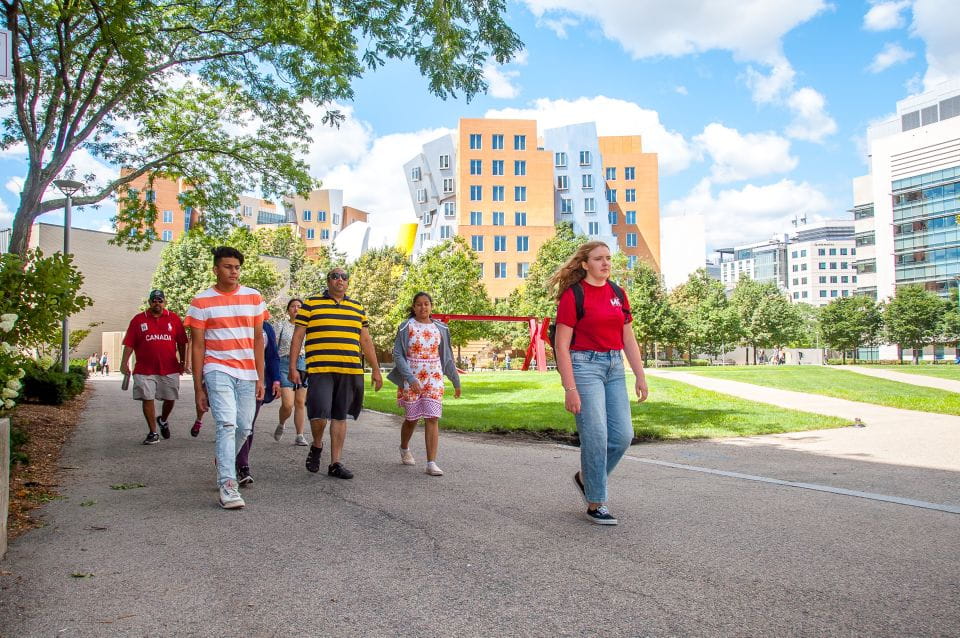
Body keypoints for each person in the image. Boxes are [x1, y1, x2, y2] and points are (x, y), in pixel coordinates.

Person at [552, 241, 648, 526]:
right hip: (584, 367)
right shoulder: (574, 295)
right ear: (585, 264)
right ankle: (597, 502)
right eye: (598, 259)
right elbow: (561, 345)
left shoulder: (618, 293)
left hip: (614, 366)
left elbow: (628, 338)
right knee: (596, 435)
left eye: (608, 258)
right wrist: (570, 389)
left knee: (621, 437)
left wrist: (640, 375)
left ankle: (587, 479)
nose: (605, 263)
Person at [184, 246, 268, 510]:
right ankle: (228, 485)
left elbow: (257, 340)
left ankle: (224, 457)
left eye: (237, 267)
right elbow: (197, 346)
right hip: (217, 369)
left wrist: (260, 378)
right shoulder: (201, 302)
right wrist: (198, 387)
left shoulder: (254, 298)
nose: (234, 272)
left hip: (247, 372)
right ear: (216, 269)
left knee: (245, 427)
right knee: (227, 425)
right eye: (228, 267)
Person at [288, 268, 383, 480]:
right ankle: (317, 444)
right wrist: (292, 367)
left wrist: (376, 370)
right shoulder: (311, 304)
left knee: (340, 416)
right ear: (328, 281)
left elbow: (365, 340)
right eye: (335, 276)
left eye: (344, 277)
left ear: (348, 283)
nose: (340, 280)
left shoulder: (357, 307)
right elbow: (298, 337)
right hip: (320, 369)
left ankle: (335, 463)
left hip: (349, 370)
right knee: (319, 415)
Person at [387, 292, 461, 476]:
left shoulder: (441, 328)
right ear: (413, 307)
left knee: (432, 417)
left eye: (426, 304)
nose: (423, 307)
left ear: (431, 306)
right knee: (412, 419)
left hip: (434, 378)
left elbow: (447, 357)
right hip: (412, 378)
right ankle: (404, 448)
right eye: (419, 304)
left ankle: (431, 463)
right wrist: (410, 379)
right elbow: (398, 355)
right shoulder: (406, 327)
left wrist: (456, 381)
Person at [119, 289, 188, 445]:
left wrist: (183, 362)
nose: (157, 303)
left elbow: (182, 343)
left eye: (160, 300)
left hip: (169, 367)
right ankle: (153, 432)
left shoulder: (174, 319)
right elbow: (129, 343)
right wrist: (124, 363)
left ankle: (163, 420)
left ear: (165, 302)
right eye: (154, 300)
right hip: (144, 369)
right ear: (149, 302)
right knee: (147, 397)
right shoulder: (138, 320)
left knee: (170, 398)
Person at [234, 321, 281, 486]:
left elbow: (273, 356)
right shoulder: (232, 319)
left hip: (256, 383)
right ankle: (226, 458)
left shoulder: (266, 327)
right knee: (229, 423)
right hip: (230, 380)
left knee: (247, 424)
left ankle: (242, 465)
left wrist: (276, 379)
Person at [273, 298, 309, 446]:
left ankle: (299, 435)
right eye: (293, 306)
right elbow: (272, 349)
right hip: (284, 363)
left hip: (303, 363)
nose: (296, 309)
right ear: (288, 310)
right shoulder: (280, 326)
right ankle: (282, 423)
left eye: (299, 306)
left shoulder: (309, 327)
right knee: (288, 404)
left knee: (300, 402)